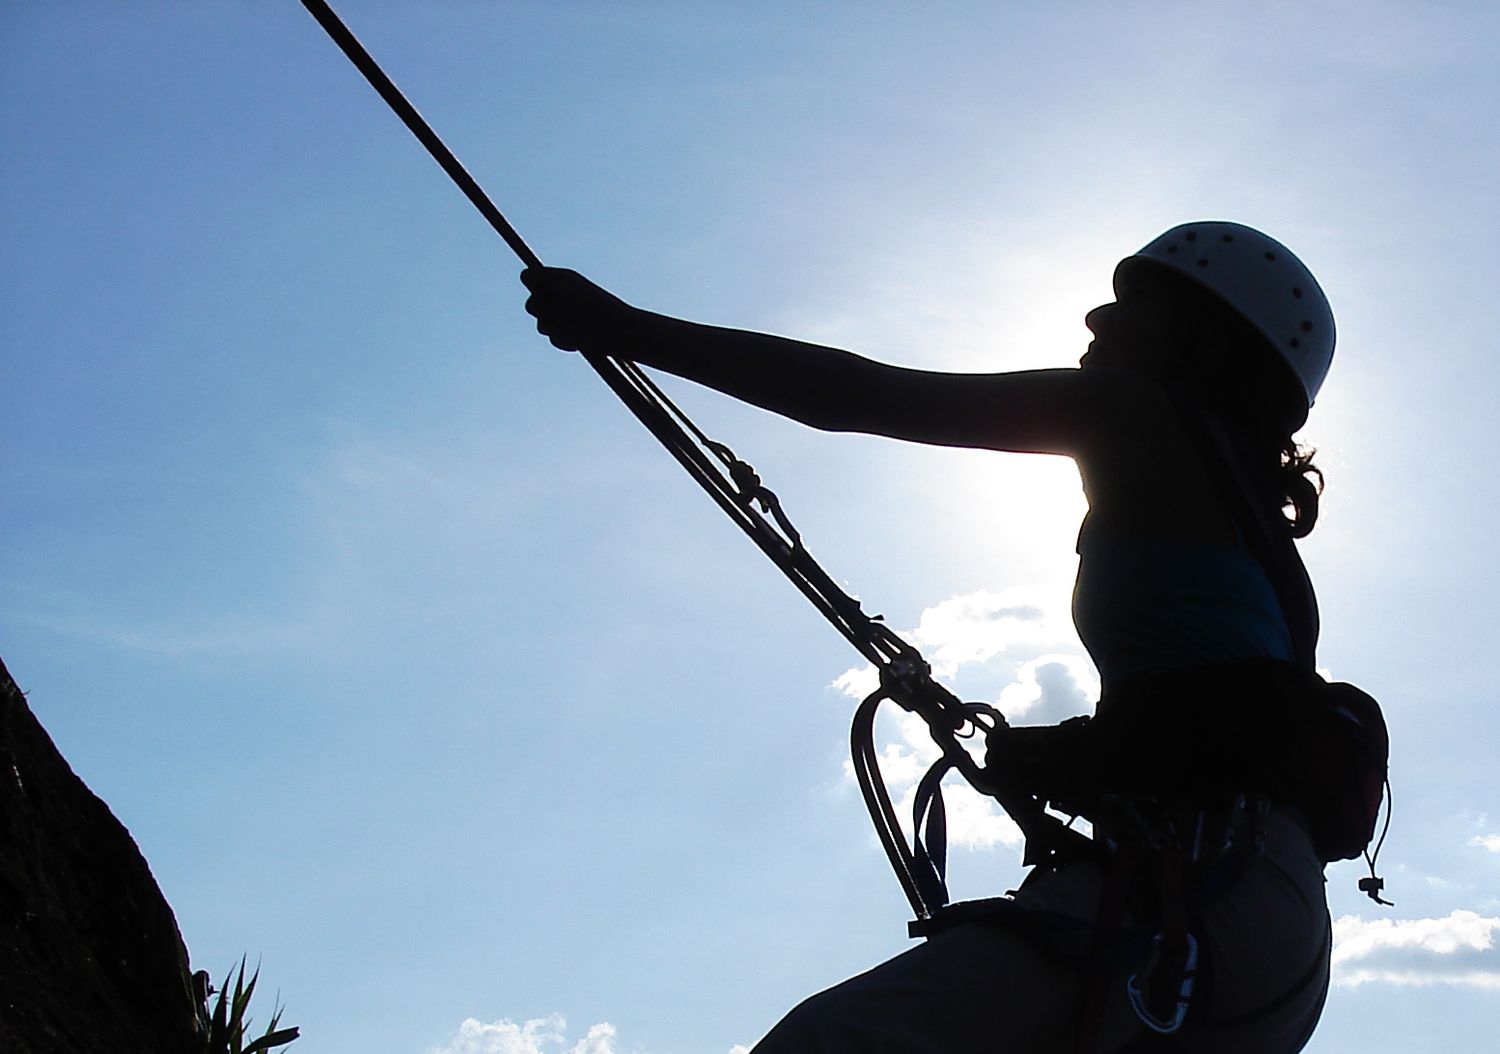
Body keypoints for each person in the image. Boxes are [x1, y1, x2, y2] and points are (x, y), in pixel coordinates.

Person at [521, 221, 1340, 1053]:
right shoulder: (1257, 533)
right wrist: (1065, 758)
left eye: (1135, 304)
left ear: (1204, 341)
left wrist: (626, 328)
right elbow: (1218, 721)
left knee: (834, 1044)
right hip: (1265, 926)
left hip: (1204, 886)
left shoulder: (1133, 413)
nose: (1097, 317)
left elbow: (856, 395)